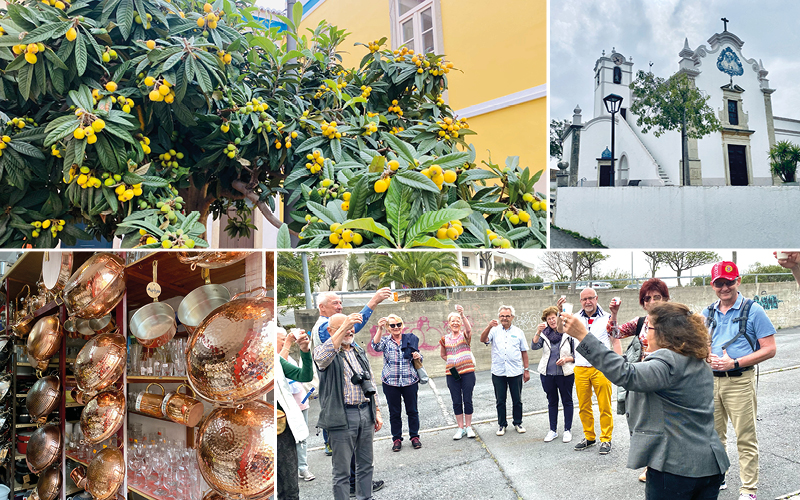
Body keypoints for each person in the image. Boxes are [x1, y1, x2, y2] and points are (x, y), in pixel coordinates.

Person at [560, 303, 730, 500]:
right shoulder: (696, 359)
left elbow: (627, 374)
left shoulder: (668, 360)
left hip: (677, 469)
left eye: (648, 328)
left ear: (664, 333)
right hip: (710, 464)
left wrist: (583, 336)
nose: (643, 334)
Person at [703, 261, 777, 500]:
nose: (725, 288)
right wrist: (706, 356)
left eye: (729, 282)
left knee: (745, 437)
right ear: (713, 285)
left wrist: (734, 362)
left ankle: (748, 490)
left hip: (739, 380)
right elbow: (701, 343)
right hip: (711, 381)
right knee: (714, 436)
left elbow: (769, 349)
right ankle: (719, 476)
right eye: (719, 283)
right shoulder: (708, 312)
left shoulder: (753, 310)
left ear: (738, 281)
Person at [311, 287, 389, 495]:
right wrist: (343, 324)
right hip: (342, 415)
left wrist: (377, 411)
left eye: (352, 327)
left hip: (365, 412)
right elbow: (321, 359)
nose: (350, 331)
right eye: (345, 327)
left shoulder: (358, 350)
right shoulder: (324, 350)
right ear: (331, 331)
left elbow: (371, 381)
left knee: (366, 465)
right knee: (342, 471)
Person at [607, 278, 670, 482]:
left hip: (666, 378)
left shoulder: (676, 322)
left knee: (665, 423)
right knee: (641, 423)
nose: (652, 302)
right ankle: (649, 465)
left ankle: (665, 464)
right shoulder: (641, 322)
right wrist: (614, 314)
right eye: (647, 298)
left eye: (657, 297)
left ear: (666, 299)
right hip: (641, 378)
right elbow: (614, 333)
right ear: (643, 303)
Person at [557, 288, 620, 455]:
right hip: (581, 367)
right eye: (584, 299)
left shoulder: (607, 318)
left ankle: (606, 439)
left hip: (601, 368)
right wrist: (559, 313)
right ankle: (589, 436)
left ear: (596, 298)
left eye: (590, 298)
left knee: (604, 405)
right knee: (584, 406)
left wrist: (618, 365)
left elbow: (615, 340)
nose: (587, 302)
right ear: (580, 301)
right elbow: (560, 330)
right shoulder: (574, 317)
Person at [371, 314, 423, 452]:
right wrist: (379, 328)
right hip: (391, 382)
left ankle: (414, 436)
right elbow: (375, 346)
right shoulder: (386, 341)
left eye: (398, 324)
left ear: (402, 325)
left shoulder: (410, 339)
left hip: (409, 380)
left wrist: (418, 356)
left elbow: (419, 355)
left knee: (412, 411)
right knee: (394, 412)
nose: (396, 327)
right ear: (388, 327)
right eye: (392, 325)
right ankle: (397, 439)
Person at [275, 325, 314, 500]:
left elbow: (305, 376)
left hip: (283, 427)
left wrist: (305, 351)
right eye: (281, 339)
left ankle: (303, 469)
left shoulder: (277, 360)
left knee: (289, 485)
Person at [479, 305, 530, 436]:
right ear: (499, 317)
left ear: (512, 317)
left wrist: (526, 369)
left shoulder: (518, 332)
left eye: (507, 316)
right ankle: (502, 424)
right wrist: (489, 326)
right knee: (500, 400)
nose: (505, 318)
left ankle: (518, 423)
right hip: (498, 371)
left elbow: (524, 351)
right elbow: (483, 339)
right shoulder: (494, 330)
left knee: (517, 399)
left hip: (515, 371)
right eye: (502, 316)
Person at [531, 306, 574, 443]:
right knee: (552, 402)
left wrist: (567, 359)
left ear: (558, 318)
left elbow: (577, 354)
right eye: (548, 318)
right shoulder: (544, 333)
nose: (551, 320)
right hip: (547, 374)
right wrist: (538, 331)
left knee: (567, 401)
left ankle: (567, 430)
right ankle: (553, 430)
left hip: (565, 373)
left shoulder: (568, 332)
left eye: (553, 317)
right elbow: (534, 346)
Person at [439, 305, 476, 440]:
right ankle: (460, 428)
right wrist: (452, 362)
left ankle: (469, 427)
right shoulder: (445, 339)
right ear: (448, 324)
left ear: (460, 323)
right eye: (452, 321)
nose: (455, 323)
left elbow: (469, 329)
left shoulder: (465, 336)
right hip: (452, 374)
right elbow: (443, 354)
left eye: (457, 321)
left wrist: (462, 314)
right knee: (456, 401)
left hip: (467, 372)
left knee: (467, 399)